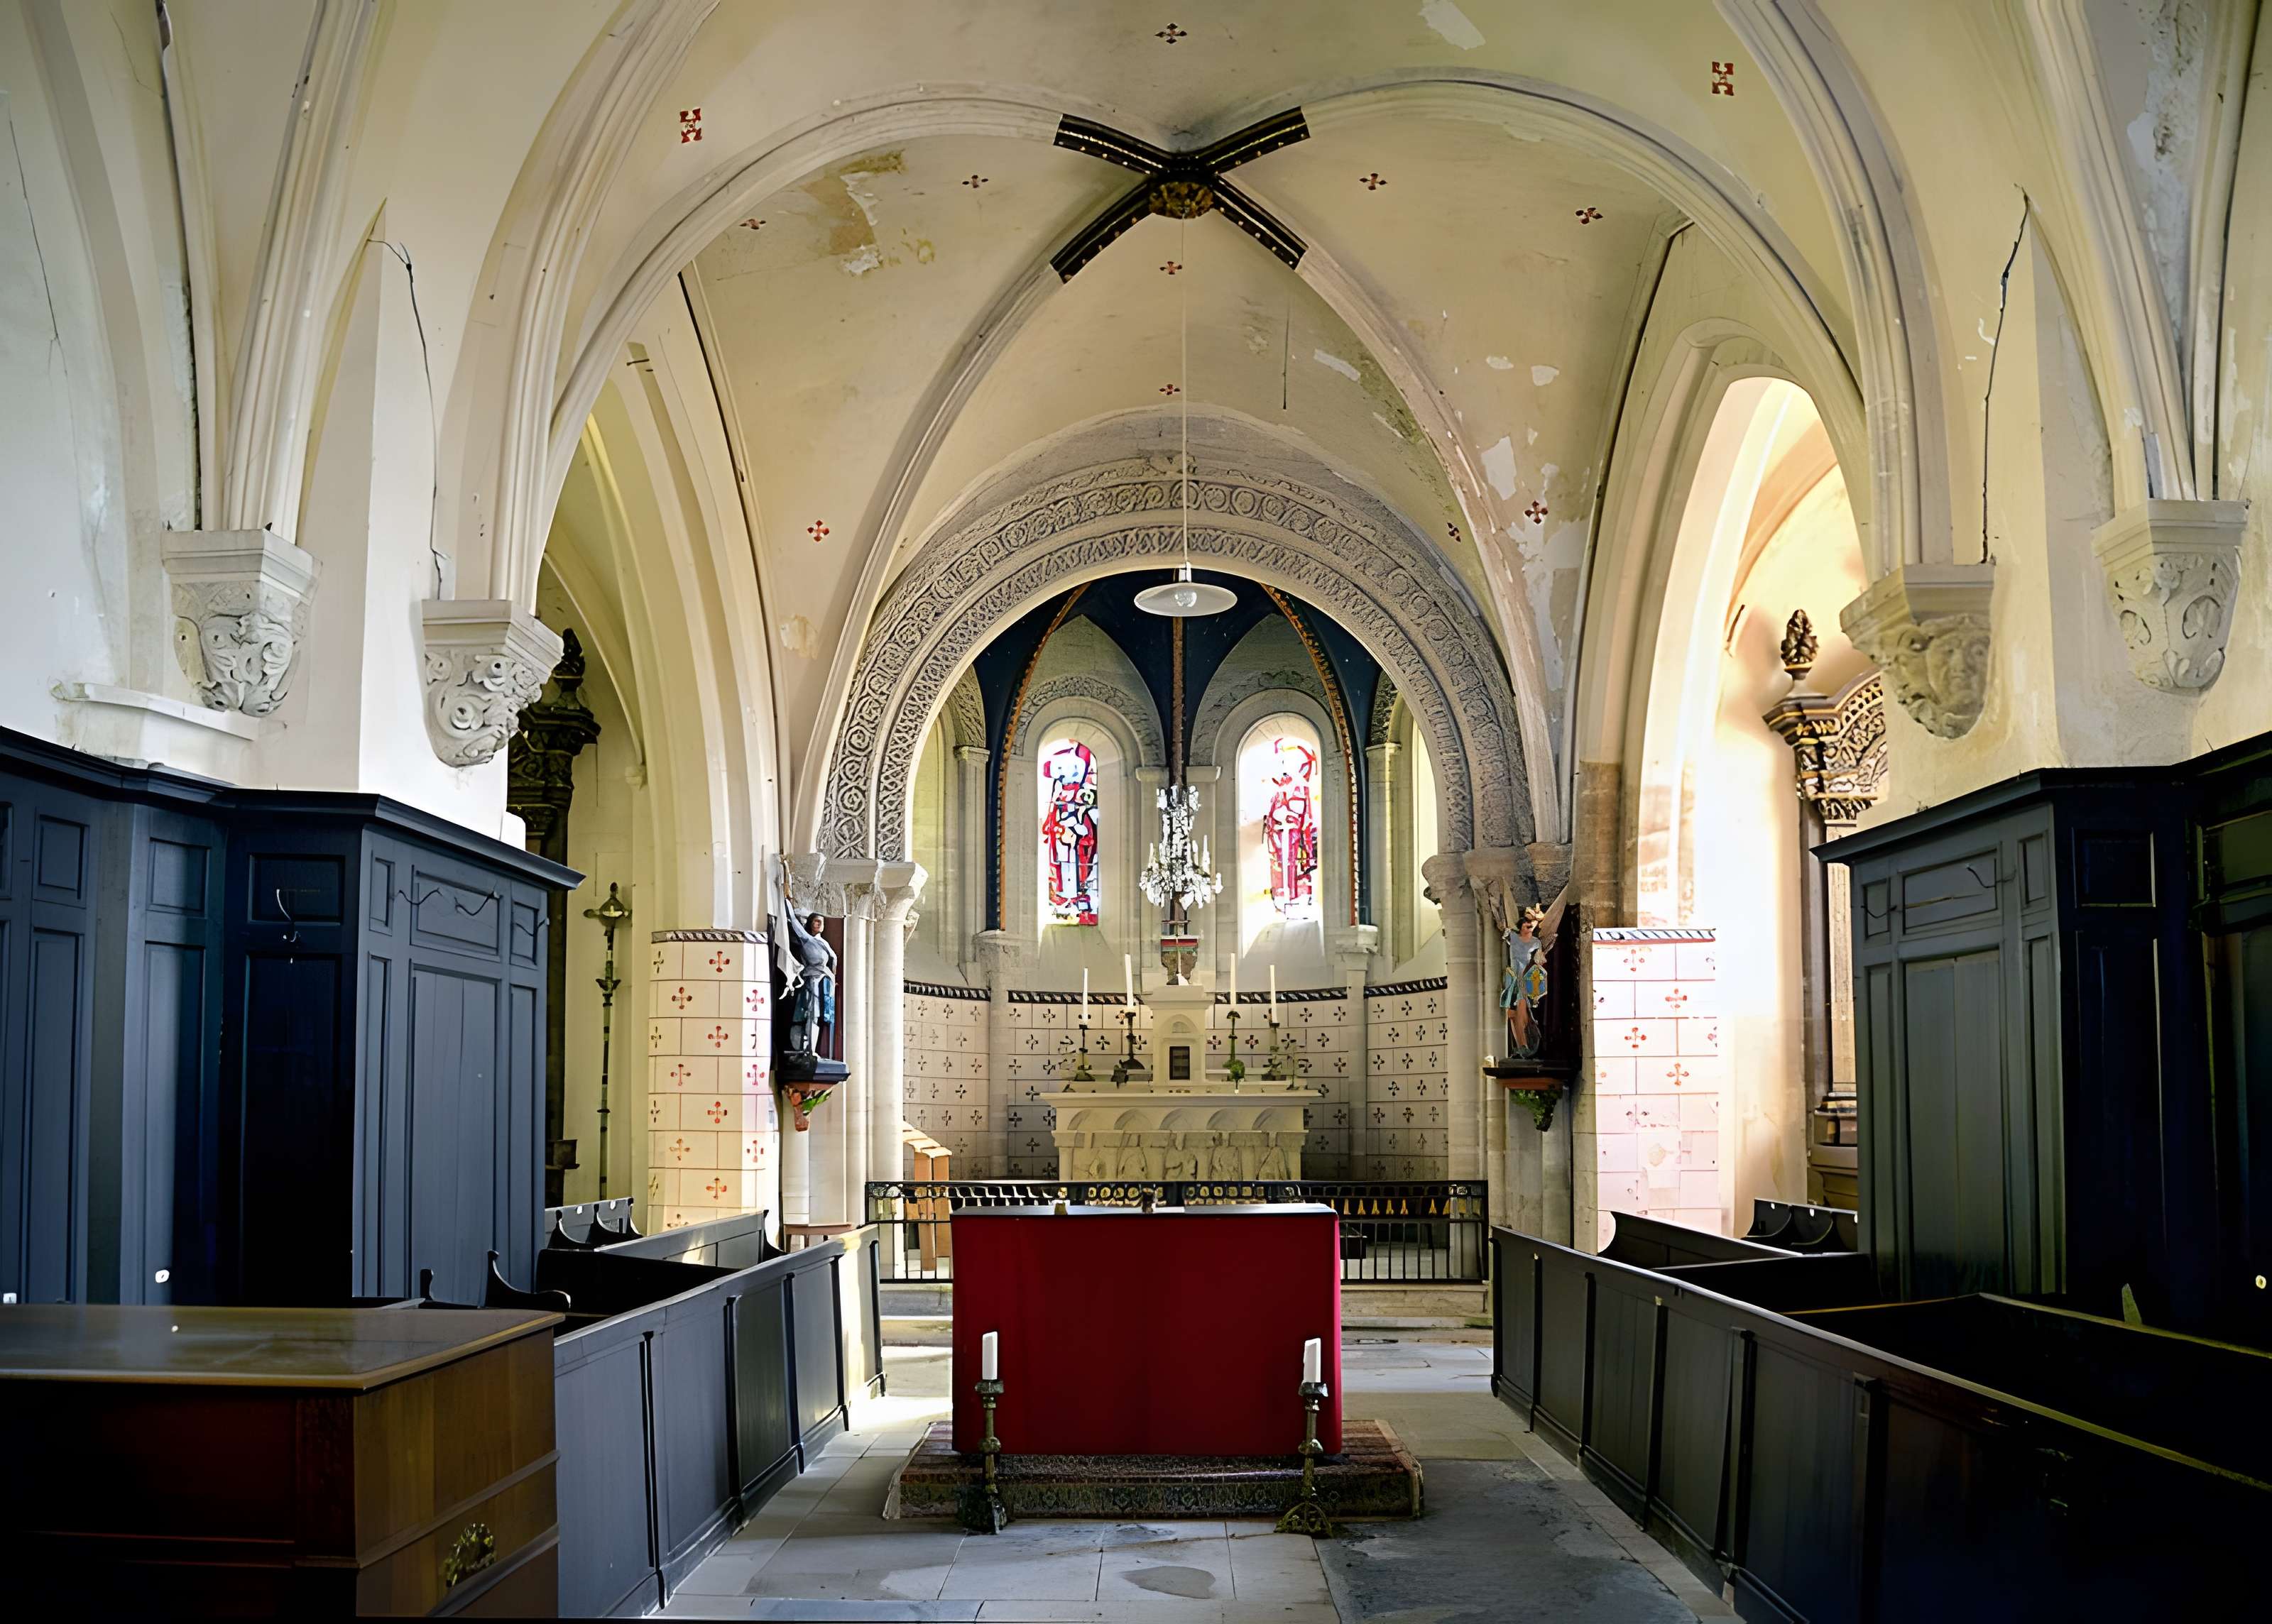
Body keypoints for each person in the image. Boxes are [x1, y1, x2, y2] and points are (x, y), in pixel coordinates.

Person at [780, 900, 837, 1056]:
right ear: (810, 923)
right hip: (812, 981)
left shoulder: (824, 943)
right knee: (811, 1015)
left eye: (821, 922)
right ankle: (808, 1050)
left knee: (820, 1018)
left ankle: (812, 1049)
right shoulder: (807, 939)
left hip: (825, 984)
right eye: (816, 921)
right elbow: (793, 920)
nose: (819, 924)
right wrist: (786, 901)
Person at [1502, 904, 1549, 1058]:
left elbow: (1539, 959)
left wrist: (1540, 959)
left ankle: (1525, 1045)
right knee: (1511, 1012)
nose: (1529, 927)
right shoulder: (1513, 937)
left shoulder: (1536, 942)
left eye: (1532, 925)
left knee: (1522, 1008)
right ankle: (1518, 1044)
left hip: (1524, 974)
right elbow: (1503, 928)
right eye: (1527, 925)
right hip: (1512, 976)